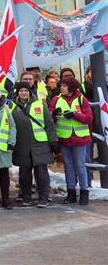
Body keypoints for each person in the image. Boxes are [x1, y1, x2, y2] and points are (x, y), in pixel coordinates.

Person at [11, 81, 56, 208]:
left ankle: (44, 197)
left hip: (40, 143)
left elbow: (49, 123)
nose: (24, 93)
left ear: (30, 92)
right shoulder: (12, 107)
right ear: (17, 93)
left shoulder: (40, 104)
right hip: (21, 144)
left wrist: (53, 140)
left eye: (26, 90)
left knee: (41, 171)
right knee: (24, 173)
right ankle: (26, 197)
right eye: (21, 91)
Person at [52, 77, 93, 205]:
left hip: (80, 138)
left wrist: (74, 115)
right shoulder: (56, 99)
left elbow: (89, 118)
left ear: (71, 87)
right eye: (61, 86)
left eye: (64, 86)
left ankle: (84, 192)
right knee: (68, 166)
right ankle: (71, 192)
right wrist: (53, 113)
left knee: (80, 166)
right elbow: (49, 114)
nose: (62, 88)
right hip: (64, 137)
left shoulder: (82, 99)